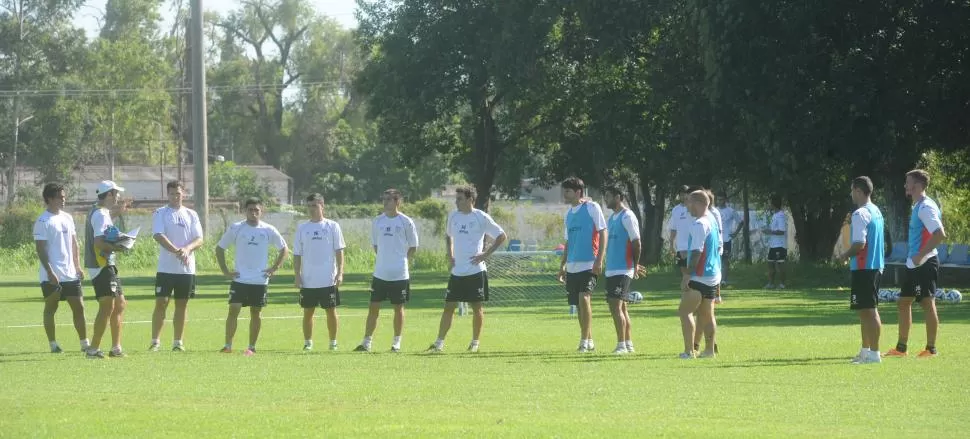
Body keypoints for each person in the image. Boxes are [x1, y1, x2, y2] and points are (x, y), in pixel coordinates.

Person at [427, 186, 506, 353]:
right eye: (456, 199)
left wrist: (485, 254)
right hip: (457, 272)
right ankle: (439, 343)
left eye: (460, 199)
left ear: (470, 199)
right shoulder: (453, 216)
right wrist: (450, 255)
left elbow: (501, 236)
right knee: (448, 307)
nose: (456, 202)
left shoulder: (480, 217)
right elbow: (449, 236)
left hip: (475, 271)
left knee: (477, 307)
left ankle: (475, 343)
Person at [884, 169, 946, 358]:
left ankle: (931, 349)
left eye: (908, 182)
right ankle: (901, 349)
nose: (905, 186)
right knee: (903, 303)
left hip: (924, 263)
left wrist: (921, 255)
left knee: (927, 303)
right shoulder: (918, 206)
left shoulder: (926, 207)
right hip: (914, 264)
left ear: (917, 186)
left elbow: (940, 234)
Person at [216, 198, 289, 356]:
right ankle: (228, 345)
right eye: (250, 210)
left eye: (257, 210)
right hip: (240, 279)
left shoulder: (268, 230)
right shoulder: (237, 228)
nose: (254, 213)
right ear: (245, 211)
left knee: (256, 312)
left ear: (261, 211)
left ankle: (251, 347)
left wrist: (274, 268)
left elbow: (284, 249)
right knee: (233, 309)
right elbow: (220, 248)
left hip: (259, 280)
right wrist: (226, 271)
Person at [354, 189, 419, 353]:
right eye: (384, 199)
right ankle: (366, 342)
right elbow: (376, 245)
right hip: (380, 273)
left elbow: (413, 246)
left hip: (399, 274)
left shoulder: (406, 222)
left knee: (398, 308)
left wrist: (402, 260)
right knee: (373, 307)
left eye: (389, 199)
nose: (385, 202)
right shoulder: (377, 221)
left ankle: (396, 343)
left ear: (398, 202)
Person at [34, 183, 88, 354]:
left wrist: (78, 266)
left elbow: (74, 243)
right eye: (60, 197)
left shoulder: (67, 217)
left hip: (70, 273)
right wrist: (50, 272)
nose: (64, 200)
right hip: (51, 274)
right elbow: (40, 249)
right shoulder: (43, 221)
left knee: (79, 307)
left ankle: (85, 343)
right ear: (49, 199)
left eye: (64, 197)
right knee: (51, 308)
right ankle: (53, 345)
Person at [150, 181, 204, 352]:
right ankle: (155, 342)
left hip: (186, 269)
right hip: (166, 268)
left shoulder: (191, 214)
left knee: (182, 304)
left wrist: (187, 249)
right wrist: (176, 251)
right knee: (161, 302)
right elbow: (158, 235)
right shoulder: (161, 213)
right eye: (172, 193)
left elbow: (199, 239)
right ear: (167, 194)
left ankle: (177, 342)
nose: (175, 197)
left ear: (184, 194)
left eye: (178, 193)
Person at [837, 176, 885, 364]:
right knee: (864, 311)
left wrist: (844, 255)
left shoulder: (860, 213)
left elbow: (859, 243)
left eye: (852, 190)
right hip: (874, 265)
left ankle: (874, 354)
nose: (851, 194)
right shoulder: (876, 211)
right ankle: (865, 351)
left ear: (858, 190)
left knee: (870, 311)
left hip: (865, 267)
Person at [557, 177, 607, 353]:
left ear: (578, 192)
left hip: (589, 262)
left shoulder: (592, 207)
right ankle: (589, 339)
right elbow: (568, 241)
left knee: (584, 297)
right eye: (565, 191)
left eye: (568, 191)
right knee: (578, 304)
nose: (565, 194)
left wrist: (599, 259)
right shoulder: (568, 214)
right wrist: (562, 265)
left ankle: (584, 340)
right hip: (572, 265)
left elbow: (603, 232)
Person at [293, 193, 346, 352]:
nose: (312, 209)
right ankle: (308, 343)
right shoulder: (302, 228)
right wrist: (297, 275)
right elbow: (297, 254)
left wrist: (340, 272)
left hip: (328, 279)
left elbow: (339, 250)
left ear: (322, 206)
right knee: (308, 312)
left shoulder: (332, 226)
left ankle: (333, 342)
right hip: (308, 279)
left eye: (315, 206)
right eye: (309, 206)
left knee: (331, 311)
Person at [84, 180, 128, 359]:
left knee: (119, 304)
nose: (118, 196)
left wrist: (119, 211)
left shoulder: (99, 210)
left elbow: (106, 224)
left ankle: (116, 348)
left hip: (107, 265)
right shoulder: (101, 214)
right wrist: (121, 246)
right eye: (116, 193)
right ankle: (93, 349)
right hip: (102, 265)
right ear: (109, 194)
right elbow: (99, 242)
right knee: (107, 307)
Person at [677, 191, 721, 359]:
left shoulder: (699, 224)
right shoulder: (712, 220)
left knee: (684, 312)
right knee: (707, 315)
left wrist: (687, 275)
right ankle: (709, 350)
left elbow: (696, 253)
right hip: (712, 276)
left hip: (698, 276)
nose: (687, 206)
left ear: (699, 203)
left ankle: (689, 351)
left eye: (689, 202)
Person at [603, 186, 646, 355]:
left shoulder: (627, 216)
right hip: (612, 268)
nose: (605, 199)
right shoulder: (613, 218)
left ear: (618, 197)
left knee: (616, 307)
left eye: (608, 196)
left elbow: (636, 242)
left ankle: (621, 345)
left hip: (622, 268)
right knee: (622, 308)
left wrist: (635, 264)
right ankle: (628, 343)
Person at [717, 195, 744, 287]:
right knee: (716, 260)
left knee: (725, 260)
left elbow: (741, 222)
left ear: (725, 200)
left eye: (721, 199)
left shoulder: (731, 211)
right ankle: (716, 280)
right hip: (716, 240)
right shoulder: (714, 210)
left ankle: (723, 281)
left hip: (726, 239)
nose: (719, 201)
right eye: (718, 199)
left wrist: (735, 233)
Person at [764, 196, 787, 289]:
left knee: (780, 265)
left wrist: (769, 232)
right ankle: (771, 284)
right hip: (773, 245)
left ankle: (782, 284)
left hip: (780, 245)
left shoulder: (781, 215)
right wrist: (768, 230)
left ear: (773, 204)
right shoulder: (774, 215)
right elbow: (775, 229)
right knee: (770, 264)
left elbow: (782, 231)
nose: (768, 205)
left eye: (769, 203)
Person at [668, 186, 693, 276]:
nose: (683, 196)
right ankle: (686, 290)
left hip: (693, 245)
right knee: (684, 274)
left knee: (693, 274)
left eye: (685, 194)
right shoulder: (676, 210)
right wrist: (671, 245)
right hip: (681, 246)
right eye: (681, 194)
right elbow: (673, 228)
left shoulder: (693, 208)